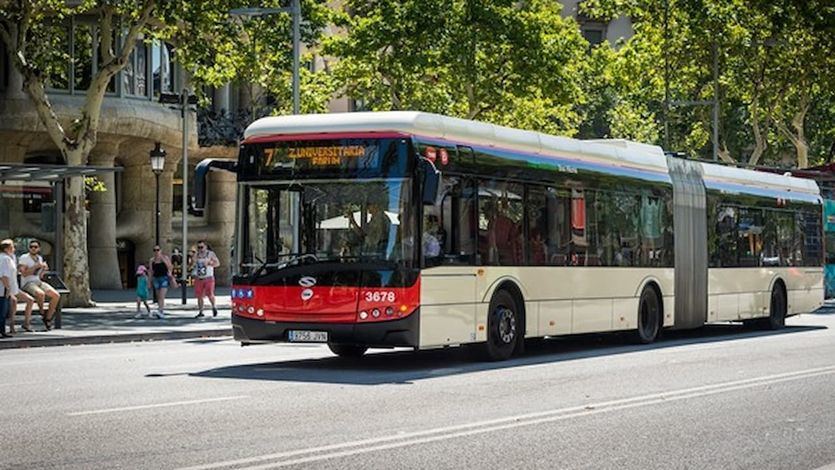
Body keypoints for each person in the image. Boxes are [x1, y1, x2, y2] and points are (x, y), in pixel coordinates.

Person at [18, 239, 58, 330]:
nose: (33, 249)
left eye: (35, 247)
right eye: (31, 247)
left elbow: (40, 275)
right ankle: (42, 312)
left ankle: (47, 318)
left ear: (39, 248)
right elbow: (23, 273)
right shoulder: (24, 258)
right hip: (28, 283)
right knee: (40, 294)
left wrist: (44, 269)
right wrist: (35, 266)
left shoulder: (40, 258)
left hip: (38, 281)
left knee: (56, 295)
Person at [190, 240, 220, 318]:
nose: (200, 249)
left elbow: (217, 263)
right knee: (199, 295)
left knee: (210, 294)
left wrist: (210, 263)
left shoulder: (210, 254)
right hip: (199, 277)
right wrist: (192, 261)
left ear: (205, 247)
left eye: (202, 247)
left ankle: (214, 306)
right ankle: (201, 311)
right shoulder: (196, 255)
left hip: (208, 277)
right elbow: (191, 265)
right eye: (198, 247)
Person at [149, 245, 177, 319]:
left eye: (158, 250)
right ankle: (160, 310)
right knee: (158, 296)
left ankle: (160, 311)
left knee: (162, 296)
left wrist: (163, 260)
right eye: (154, 250)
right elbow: (151, 271)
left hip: (164, 278)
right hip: (156, 278)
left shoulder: (165, 258)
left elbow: (170, 267)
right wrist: (149, 281)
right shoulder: (152, 260)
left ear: (161, 250)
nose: (156, 252)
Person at [0, 239, 15, 337]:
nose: (13, 249)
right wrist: (8, 288)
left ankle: (2, 330)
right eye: (12, 247)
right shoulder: (6, 259)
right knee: (2, 311)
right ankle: (2, 331)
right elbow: (4, 275)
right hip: (3, 289)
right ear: (6, 249)